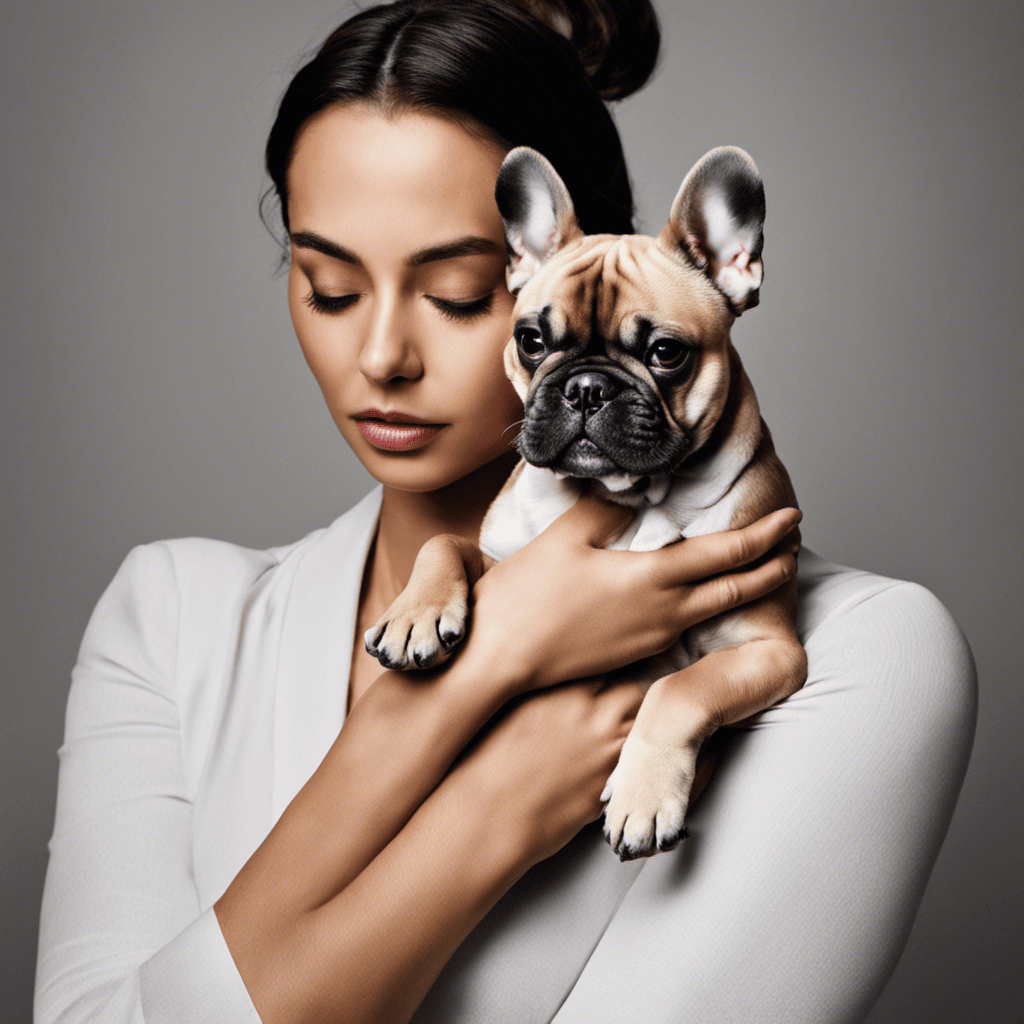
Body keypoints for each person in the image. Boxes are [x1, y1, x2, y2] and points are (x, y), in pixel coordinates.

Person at [33, 2, 978, 1022]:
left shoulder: (865, 651)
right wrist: (483, 732)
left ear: (585, 248)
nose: (384, 355)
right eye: (330, 287)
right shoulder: (174, 617)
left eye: (454, 294)